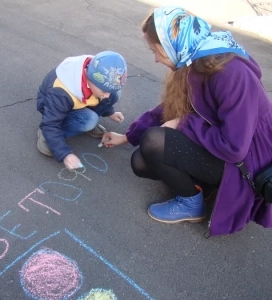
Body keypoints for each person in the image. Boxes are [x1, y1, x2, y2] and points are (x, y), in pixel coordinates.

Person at [101, 6, 272, 236]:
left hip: (248, 162)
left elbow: (235, 148)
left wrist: (182, 124)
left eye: (155, 51)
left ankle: (192, 204)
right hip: (221, 145)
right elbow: (169, 110)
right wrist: (127, 137)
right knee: (140, 161)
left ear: (170, 45)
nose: (155, 59)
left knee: (154, 141)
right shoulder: (194, 60)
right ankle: (205, 186)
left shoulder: (231, 73)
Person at [36, 51, 127, 170]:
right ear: (90, 79)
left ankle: (88, 122)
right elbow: (50, 124)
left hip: (78, 102)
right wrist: (65, 153)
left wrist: (110, 112)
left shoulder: (97, 74)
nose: (107, 95)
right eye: (104, 91)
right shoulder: (61, 92)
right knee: (89, 120)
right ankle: (47, 136)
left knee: (115, 94)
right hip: (54, 112)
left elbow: (100, 96)